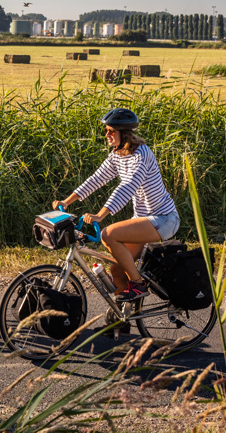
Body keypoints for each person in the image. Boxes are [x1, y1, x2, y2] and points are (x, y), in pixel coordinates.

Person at [53, 108, 180, 305]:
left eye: (111, 131)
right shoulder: (117, 155)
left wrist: (100, 215)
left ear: (124, 133)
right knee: (117, 269)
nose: (107, 135)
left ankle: (138, 284)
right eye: (107, 130)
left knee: (108, 234)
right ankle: (121, 323)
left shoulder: (141, 155)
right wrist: (66, 201)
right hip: (144, 219)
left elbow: (127, 186)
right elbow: (96, 179)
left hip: (164, 218)